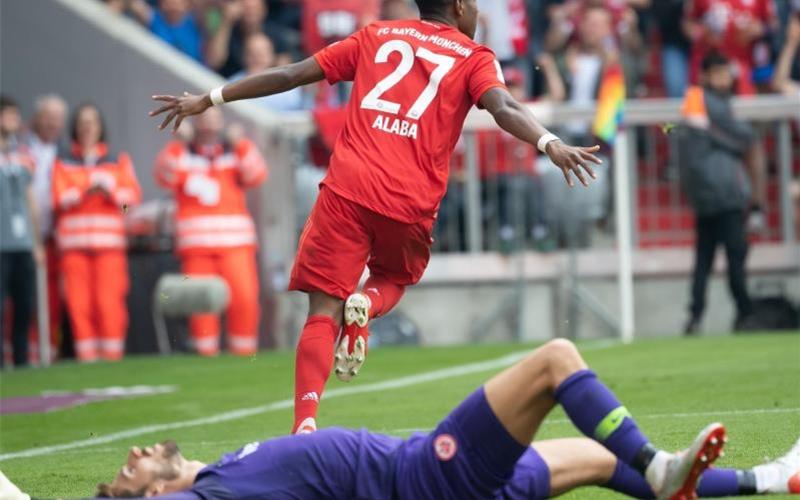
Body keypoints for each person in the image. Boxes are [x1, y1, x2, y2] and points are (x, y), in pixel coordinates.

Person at [149, 0, 603, 434]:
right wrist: (550, 143)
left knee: (322, 310)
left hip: (348, 188)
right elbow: (503, 107)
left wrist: (210, 98)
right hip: (409, 197)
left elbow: (291, 74)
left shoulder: (376, 35)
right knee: (395, 278)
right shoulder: (473, 55)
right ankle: (366, 305)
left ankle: (304, 424)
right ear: (461, 8)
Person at [74, 339, 799, 498]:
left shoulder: (223, 472)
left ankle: (771, 480)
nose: (136, 451)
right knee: (554, 361)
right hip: (427, 478)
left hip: (435, 478)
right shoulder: (205, 498)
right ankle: (658, 464)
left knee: (594, 459)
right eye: (128, 468)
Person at [154, 107, 268, 357]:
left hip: (235, 245)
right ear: (195, 122)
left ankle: (245, 358)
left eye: (214, 118)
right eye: (204, 118)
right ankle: (205, 358)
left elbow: (257, 174)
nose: (209, 124)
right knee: (201, 308)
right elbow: (164, 175)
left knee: (245, 302)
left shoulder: (233, 152)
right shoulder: (182, 153)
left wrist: (240, 143)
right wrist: (178, 143)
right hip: (197, 248)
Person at [52, 103, 141, 362]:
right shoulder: (64, 162)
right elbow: (57, 200)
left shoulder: (117, 160)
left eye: (92, 122)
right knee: (79, 306)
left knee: (109, 303)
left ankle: (112, 359)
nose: (87, 127)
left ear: (100, 127)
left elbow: (130, 203)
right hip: (73, 248)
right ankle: (87, 360)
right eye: (82, 122)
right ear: (75, 128)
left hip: (109, 247)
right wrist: (83, 193)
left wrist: (112, 194)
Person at [678, 53, 757, 335]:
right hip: (725, 193)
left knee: (703, 261)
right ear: (706, 75)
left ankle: (695, 316)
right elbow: (745, 137)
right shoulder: (711, 103)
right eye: (721, 74)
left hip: (703, 196)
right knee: (735, 257)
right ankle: (745, 313)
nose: (726, 80)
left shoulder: (692, 103)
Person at [0, 96, 43, 369]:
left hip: (22, 243)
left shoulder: (24, 154)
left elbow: (30, 200)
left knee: (25, 305)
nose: (15, 120)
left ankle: (22, 360)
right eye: (10, 114)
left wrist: (36, 241)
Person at [25, 94, 69, 360]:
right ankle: (24, 356)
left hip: (56, 237)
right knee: (24, 300)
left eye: (57, 119)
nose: (52, 123)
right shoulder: (21, 151)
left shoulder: (65, 154)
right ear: (36, 119)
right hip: (25, 236)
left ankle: (48, 354)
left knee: (54, 301)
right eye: (47, 117)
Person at [228, 33, 306, 112]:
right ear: (244, 56)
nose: (256, 59)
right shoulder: (232, 84)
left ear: (272, 57)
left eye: (261, 55)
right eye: (252, 54)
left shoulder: (288, 86)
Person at [119, 0, 205, 63]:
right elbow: (132, 4)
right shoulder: (153, 17)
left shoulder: (196, 28)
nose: (172, 3)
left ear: (187, 5)